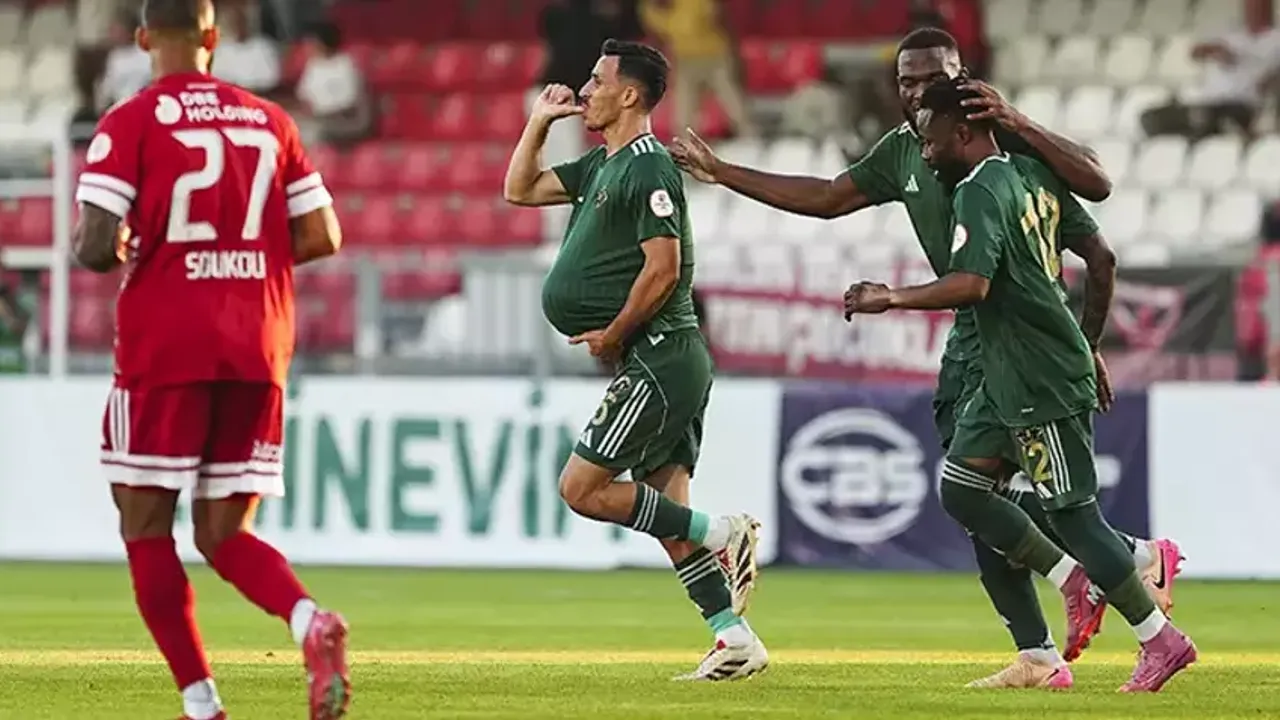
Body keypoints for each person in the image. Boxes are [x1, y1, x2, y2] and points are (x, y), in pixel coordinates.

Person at [671, 27, 1184, 689]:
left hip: (1021, 331)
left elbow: (1098, 198)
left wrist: (1084, 340)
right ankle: (1050, 639)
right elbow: (827, 197)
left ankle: (1106, 581)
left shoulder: (998, 142)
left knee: (1017, 499)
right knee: (972, 494)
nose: (915, 94)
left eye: (929, 80)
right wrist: (723, 173)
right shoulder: (904, 150)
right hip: (978, 337)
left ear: (959, 77)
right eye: (906, 82)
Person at [844, 77, 1198, 693]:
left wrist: (890, 297)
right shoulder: (1032, 173)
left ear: (962, 132)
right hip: (1005, 370)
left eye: (930, 141)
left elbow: (972, 284)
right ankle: (1073, 578)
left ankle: (1159, 639)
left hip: (1039, 371)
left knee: (1075, 516)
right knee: (962, 488)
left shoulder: (979, 191)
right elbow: (1097, 251)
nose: (923, 153)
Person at [70, 1, 349, 718]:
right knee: (225, 533)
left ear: (143, 39)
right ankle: (309, 619)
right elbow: (322, 234)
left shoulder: (131, 121)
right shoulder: (269, 120)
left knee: (145, 526)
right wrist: (241, 256)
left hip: (166, 348)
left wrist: (141, 247)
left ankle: (203, 705)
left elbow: (95, 245)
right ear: (213, 38)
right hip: (258, 343)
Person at [503, 38, 767, 682]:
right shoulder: (603, 164)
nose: (584, 91)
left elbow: (663, 268)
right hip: (656, 359)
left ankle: (723, 531)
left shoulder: (648, 167)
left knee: (580, 489)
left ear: (628, 95)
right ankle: (733, 638)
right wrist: (539, 122)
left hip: (660, 354)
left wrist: (614, 334)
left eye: (597, 81)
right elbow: (520, 189)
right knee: (665, 513)